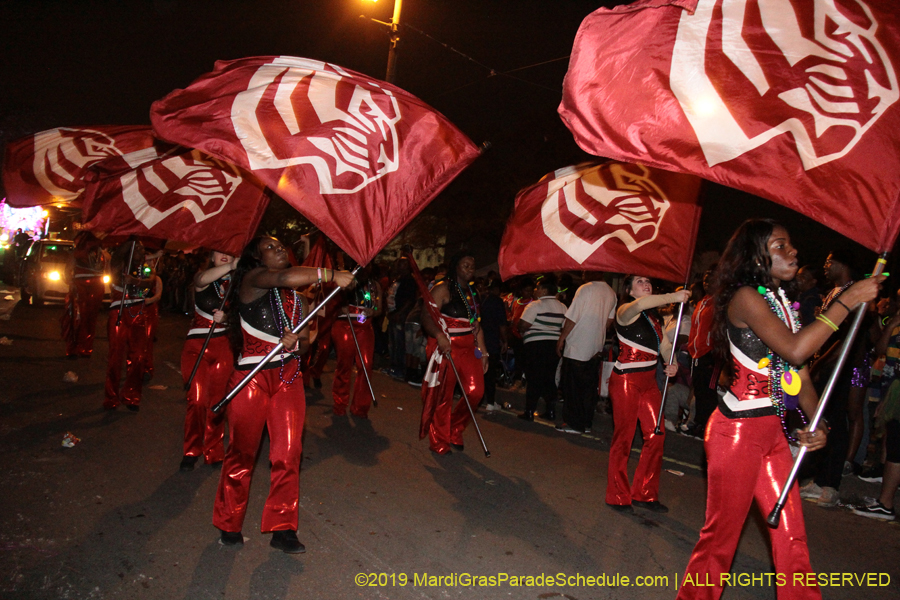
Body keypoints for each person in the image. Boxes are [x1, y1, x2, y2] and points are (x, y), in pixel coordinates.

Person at [676, 219, 882, 600]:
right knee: (720, 541)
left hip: (772, 433)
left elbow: (799, 373)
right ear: (755, 256)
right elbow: (796, 349)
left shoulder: (780, 303)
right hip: (735, 435)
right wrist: (846, 301)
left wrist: (818, 421)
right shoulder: (744, 298)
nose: (793, 253)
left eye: (791, 245)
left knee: (791, 536)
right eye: (780, 246)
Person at [213, 236, 353, 553]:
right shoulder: (253, 280)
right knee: (242, 455)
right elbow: (283, 277)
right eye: (270, 248)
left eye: (280, 246)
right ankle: (229, 522)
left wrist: (296, 342)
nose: (279, 249)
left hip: (288, 377)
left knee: (288, 454)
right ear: (256, 258)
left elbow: (305, 343)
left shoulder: (300, 301)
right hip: (252, 379)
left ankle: (283, 527)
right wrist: (331, 275)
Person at [606, 276, 688, 514]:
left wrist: (670, 362)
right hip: (626, 382)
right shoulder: (625, 311)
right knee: (624, 439)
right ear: (629, 290)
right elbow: (641, 304)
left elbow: (663, 346)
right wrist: (675, 297)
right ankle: (617, 495)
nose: (646, 284)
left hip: (650, 383)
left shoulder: (655, 318)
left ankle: (645, 493)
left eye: (648, 281)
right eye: (640, 282)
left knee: (656, 435)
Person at [420, 252, 488, 455]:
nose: (469, 269)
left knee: (475, 392)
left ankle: (455, 428)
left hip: (469, 348)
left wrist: (484, 352)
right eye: (465, 265)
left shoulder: (473, 292)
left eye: (472, 266)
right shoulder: (443, 288)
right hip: (447, 347)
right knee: (444, 396)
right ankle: (439, 439)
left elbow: (476, 325)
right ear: (455, 266)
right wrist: (439, 336)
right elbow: (426, 316)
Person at [179, 251, 236, 472]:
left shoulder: (238, 285)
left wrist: (229, 318)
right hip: (197, 346)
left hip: (224, 346)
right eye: (220, 251)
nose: (225, 255)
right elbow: (200, 281)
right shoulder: (203, 278)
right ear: (211, 256)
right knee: (197, 399)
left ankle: (213, 450)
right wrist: (232, 266)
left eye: (230, 253)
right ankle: (191, 449)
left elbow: (244, 317)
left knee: (217, 403)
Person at [854, 304, 900, 520]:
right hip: (892, 386)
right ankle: (885, 497)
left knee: (896, 446)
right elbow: (879, 350)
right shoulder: (895, 325)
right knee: (892, 440)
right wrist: (891, 325)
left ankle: (886, 503)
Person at [555, 272, 617, 434]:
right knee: (589, 388)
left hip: (577, 345)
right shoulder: (611, 292)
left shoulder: (585, 289)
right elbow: (609, 321)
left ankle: (573, 423)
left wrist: (562, 338)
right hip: (595, 345)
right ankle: (586, 422)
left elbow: (572, 317)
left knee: (572, 387)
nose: (582, 273)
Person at [104, 241, 153, 412]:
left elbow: (151, 282)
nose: (141, 251)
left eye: (142, 248)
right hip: (119, 313)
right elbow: (118, 255)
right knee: (115, 357)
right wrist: (132, 238)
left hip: (139, 313)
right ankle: (111, 397)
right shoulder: (119, 265)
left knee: (139, 357)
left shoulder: (145, 267)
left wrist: (135, 281)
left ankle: (132, 396)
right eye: (137, 248)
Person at [331, 265, 381, 417]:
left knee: (366, 365)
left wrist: (373, 311)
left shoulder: (375, 285)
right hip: (345, 325)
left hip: (365, 327)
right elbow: (331, 302)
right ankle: (340, 402)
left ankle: (360, 406)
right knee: (344, 364)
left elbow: (379, 309)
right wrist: (341, 307)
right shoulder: (346, 280)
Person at [517, 274, 566, 421]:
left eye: (537, 288)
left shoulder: (535, 305)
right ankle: (550, 411)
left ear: (544, 291)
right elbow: (564, 327)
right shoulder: (563, 307)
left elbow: (524, 325)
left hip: (535, 345)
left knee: (534, 378)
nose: (535, 291)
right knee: (550, 378)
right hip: (554, 345)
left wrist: (520, 329)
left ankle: (529, 411)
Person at [63, 234, 108, 358]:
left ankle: (86, 347)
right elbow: (67, 271)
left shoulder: (103, 255)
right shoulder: (77, 253)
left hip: (96, 287)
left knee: (90, 318)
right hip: (81, 286)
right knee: (78, 317)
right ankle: (75, 348)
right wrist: (71, 283)